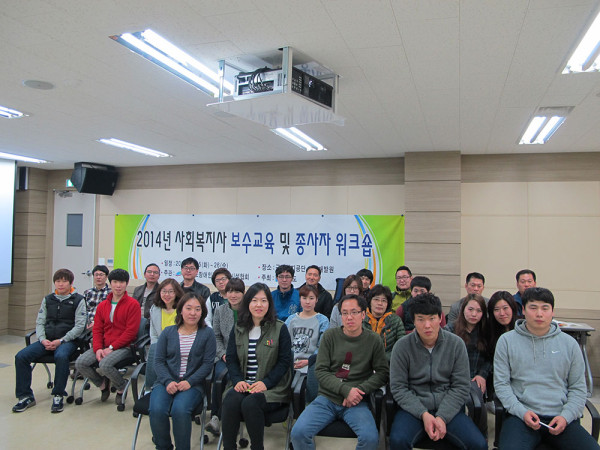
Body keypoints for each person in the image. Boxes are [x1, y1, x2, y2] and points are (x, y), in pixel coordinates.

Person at [494, 287, 599, 450]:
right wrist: (521, 412)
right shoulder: (506, 341)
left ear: (552, 311)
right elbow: (502, 385)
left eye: (545, 308)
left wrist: (566, 417)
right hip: (522, 417)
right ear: (523, 310)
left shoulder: (569, 344)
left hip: (561, 417)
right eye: (533, 307)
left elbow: (578, 388)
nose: (539, 314)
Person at [389, 293, 488, 450]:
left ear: (440, 318)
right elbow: (398, 388)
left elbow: (461, 386)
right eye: (421, 319)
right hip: (413, 410)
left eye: (432, 318)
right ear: (413, 321)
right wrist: (424, 414)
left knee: (479, 445)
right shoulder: (402, 347)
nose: (427, 325)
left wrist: (442, 417)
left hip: (449, 408)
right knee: (398, 440)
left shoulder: (456, 344)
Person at [291, 294, 389, 450]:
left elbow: (382, 373)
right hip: (327, 399)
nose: (349, 317)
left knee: (370, 439)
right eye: (344, 313)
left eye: (354, 312)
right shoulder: (330, 336)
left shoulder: (373, 340)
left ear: (363, 314)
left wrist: (358, 391)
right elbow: (320, 371)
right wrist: (345, 391)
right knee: (298, 433)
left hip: (357, 402)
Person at [220, 283, 293, 450]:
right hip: (243, 384)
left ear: (269, 304)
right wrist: (237, 380)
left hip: (271, 387)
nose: (259, 305)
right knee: (230, 400)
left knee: (250, 403)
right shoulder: (238, 327)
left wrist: (265, 383)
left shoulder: (280, 328)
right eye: (254, 300)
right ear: (247, 303)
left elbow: (284, 362)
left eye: (263, 300)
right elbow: (231, 358)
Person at [13, 269, 87, 413]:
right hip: (46, 340)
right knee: (21, 356)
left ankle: (58, 394)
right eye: (58, 281)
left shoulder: (78, 300)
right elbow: (40, 322)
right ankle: (25, 396)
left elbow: (79, 326)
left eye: (64, 281)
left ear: (71, 283)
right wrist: (42, 339)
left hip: (67, 341)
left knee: (61, 356)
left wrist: (61, 340)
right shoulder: (48, 299)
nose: (61, 284)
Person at [149, 293, 216, 450]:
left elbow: (207, 364)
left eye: (197, 309)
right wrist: (168, 381)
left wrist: (189, 382)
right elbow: (158, 362)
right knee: (157, 410)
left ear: (202, 312)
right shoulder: (168, 332)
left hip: (193, 385)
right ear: (180, 310)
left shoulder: (207, 333)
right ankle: (163, 447)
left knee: (180, 410)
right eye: (189, 308)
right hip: (165, 382)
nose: (193, 313)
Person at [75, 268, 141, 405]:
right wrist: (98, 348)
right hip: (103, 345)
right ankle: (102, 384)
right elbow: (97, 330)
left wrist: (111, 347)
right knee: (80, 363)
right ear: (110, 283)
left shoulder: (133, 304)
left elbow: (131, 332)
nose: (118, 285)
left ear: (126, 283)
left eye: (122, 282)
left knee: (105, 364)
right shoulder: (103, 305)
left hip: (124, 347)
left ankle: (121, 386)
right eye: (115, 282)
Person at [206, 277, 245, 436]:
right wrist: (222, 354)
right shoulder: (220, 310)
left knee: (232, 378)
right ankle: (215, 417)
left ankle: (228, 416)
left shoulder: (250, 310)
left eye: (237, 291)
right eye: (230, 291)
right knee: (219, 377)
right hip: (225, 356)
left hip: (245, 357)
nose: (233, 295)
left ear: (243, 293)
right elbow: (216, 336)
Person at [285, 284, 329, 399]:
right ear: (300, 299)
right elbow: (284, 344)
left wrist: (308, 361)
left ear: (317, 300)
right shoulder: (291, 320)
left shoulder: (323, 321)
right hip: (290, 366)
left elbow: (323, 347)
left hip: (311, 367)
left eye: (311, 298)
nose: (307, 302)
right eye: (304, 298)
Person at [445, 294, 491, 394]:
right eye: (470, 309)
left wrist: (482, 375)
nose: (474, 314)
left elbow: (490, 358)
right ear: (463, 309)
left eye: (479, 311)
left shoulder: (487, 331)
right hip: (452, 380)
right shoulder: (449, 330)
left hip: (476, 380)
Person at [146, 278, 184, 388]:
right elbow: (154, 335)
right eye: (164, 291)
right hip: (160, 348)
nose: (167, 295)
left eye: (171, 292)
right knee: (154, 349)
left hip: (178, 347)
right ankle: (150, 388)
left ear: (177, 293)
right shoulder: (155, 309)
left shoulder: (182, 310)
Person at [363, 284, 405, 362]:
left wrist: (382, 358)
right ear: (370, 301)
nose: (380, 303)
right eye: (376, 299)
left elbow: (401, 346)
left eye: (384, 300)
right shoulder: (361, 319)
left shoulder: (395, 320)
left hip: (388, 363)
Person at [179, 257, 211, 322]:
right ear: (182, 270)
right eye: (186, 268)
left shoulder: (204, 290)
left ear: (197, 271)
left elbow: (205, 311)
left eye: (191, 268)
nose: (188, 270)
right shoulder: (177, 289)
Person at [487, 290, 518, 355]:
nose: (502, 313)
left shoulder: (522, 327)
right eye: (496, 309)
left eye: (505, 308)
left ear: (512, 308)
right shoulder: (487, 332)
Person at [83, 264, 110, 329]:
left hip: (103, 325)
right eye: (96, 275)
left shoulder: (111, 293)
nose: (98, 277)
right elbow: (82, 310)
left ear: (106, 277)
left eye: (101, 275)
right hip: (87, 324)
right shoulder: (87, 292)